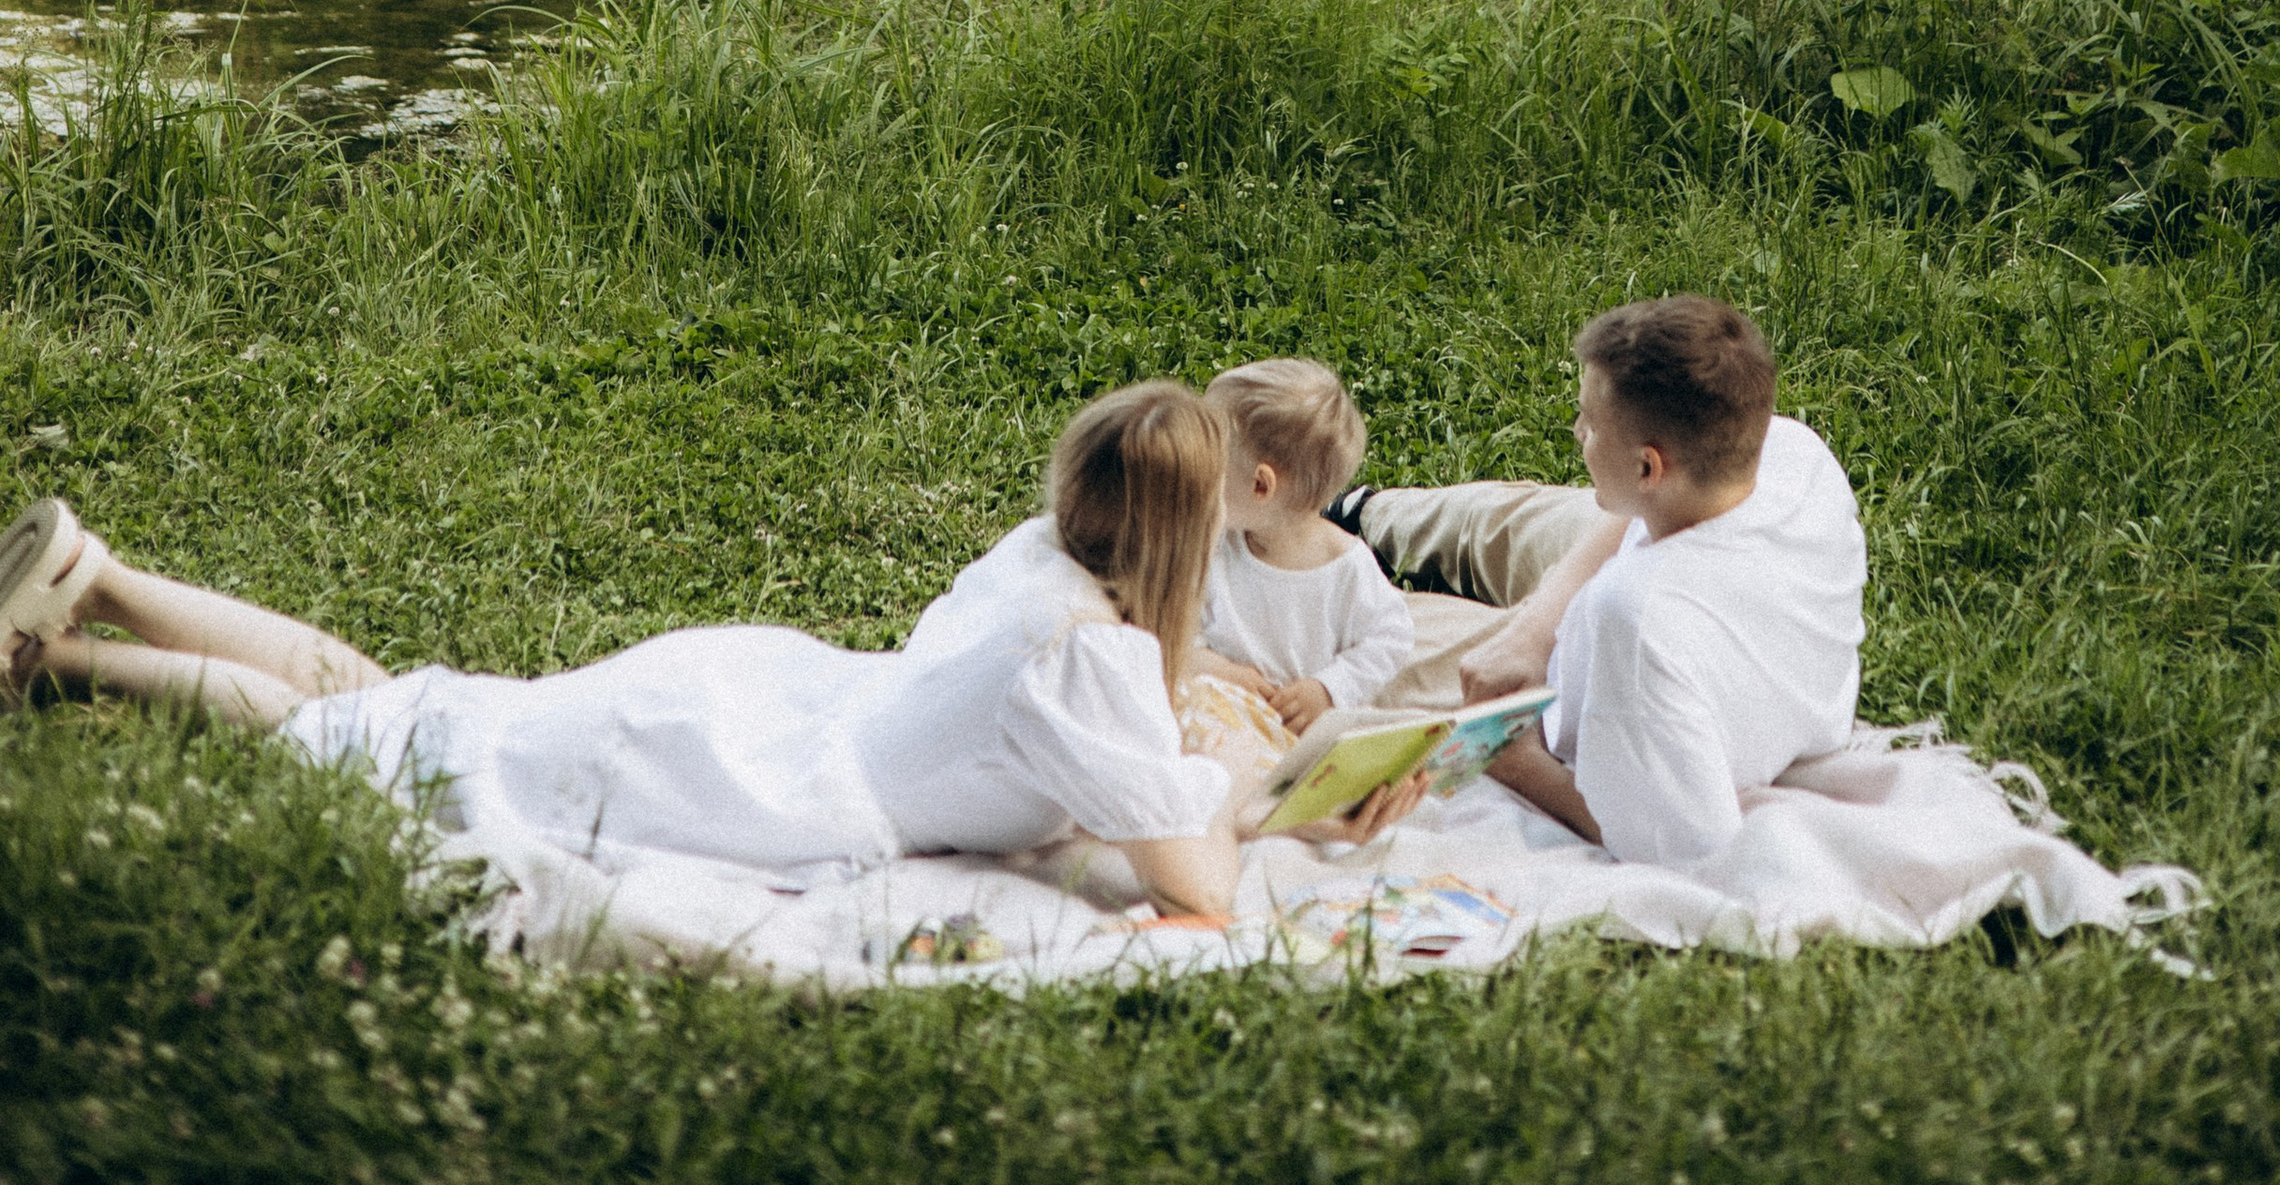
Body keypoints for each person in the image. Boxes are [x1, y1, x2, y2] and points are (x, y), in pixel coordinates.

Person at [0, 381, 1420, 921]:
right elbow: (1198, 887)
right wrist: (1255, 792)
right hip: (760, 783)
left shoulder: (1038, 554)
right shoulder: (1086, 664)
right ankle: (75, 653)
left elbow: (1110, 733)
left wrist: (1223, 744)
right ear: (1182, 543)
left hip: (770, 700)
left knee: (404, 705)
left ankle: (94, 593)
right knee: (353, 737)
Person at [1342, 295, 1866, 869]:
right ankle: (1366, 511)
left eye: (1590, 423)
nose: (1576, 431)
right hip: (1655, 537)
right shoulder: (1788, 451)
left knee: (1357, 626)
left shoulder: (1639, 621)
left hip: (1603, 655)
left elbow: (1668, 843)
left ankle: (1308, 537)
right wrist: (1533, 631)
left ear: (1647, 467)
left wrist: (1515, 760)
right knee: (1511, 521)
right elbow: (1628, 521)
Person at [1193, 357, 1415, 735]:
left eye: (1210, 465)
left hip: (1307, 734)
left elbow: (1391, 638)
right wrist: (1215, 667)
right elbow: (1172, 625)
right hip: (1221, 720)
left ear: (1260, 486)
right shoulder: (1210, 546)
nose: (1195, 473)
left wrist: (1328, 689)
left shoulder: (1345, 566)